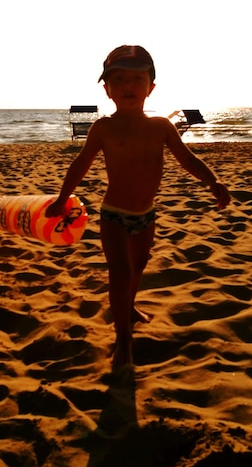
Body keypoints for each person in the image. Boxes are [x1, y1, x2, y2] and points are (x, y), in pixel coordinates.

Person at [46, 45, 230, 370]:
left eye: (136, 79)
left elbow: (188, 159)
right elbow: (80, 165)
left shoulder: (161, 126)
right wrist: (62, 199)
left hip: (146, 215)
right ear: (107, 90)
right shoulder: (103, 128)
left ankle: (129, 308)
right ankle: (123, 339)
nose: (128, 86)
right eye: (119, 80)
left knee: (139, 267)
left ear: (151, 87)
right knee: (121, 270)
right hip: (113, 214)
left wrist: (212, 182)